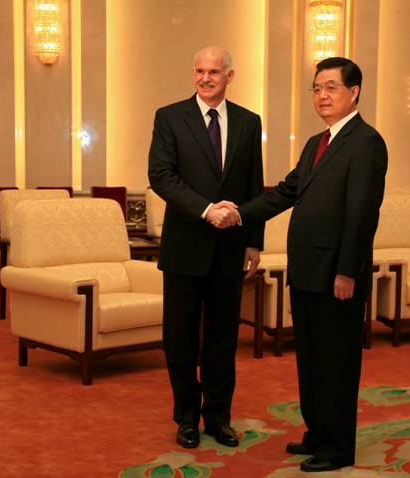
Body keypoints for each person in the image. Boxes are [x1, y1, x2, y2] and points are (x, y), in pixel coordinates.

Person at [211, 57, 387, 472]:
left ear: (354, 92)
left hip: (337, 275)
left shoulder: (366, 142)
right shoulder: (315, 144)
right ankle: (317, 434)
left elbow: (362, 214)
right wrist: (238, 214)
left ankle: (337, 448)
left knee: (336, 363)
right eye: (316, 88)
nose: (322, 96)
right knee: (310, 361)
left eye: (331, 88)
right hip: (306, 269)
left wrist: (348, 270)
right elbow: (284, 193)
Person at [147, 45, 265, 449]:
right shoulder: (170, 117)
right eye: (199, 71)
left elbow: (253, 185)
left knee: (223, 340)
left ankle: (218, 418)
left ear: (230, 76)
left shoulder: (249, 122)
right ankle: (186, 419)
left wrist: (253, 242)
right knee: (180, 340)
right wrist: (206, 209)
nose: (205, 78)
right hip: (184, 248)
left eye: (214, 72)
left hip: (230, 250)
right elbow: (161, 176)